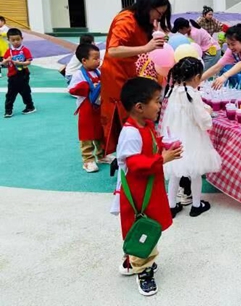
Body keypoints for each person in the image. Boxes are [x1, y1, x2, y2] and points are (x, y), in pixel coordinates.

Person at [113, 77, 182, 296]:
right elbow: (134, 164)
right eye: (157, 101)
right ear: (139, 107)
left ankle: (131, 260)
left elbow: (151, 144)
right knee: (143, 228)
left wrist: (164, 145)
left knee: (149, 226)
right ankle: (142, 270)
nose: (160, 105)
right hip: (138, 194)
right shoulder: (130, 132)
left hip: (149, 189)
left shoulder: (146, 125)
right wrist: (163, 159)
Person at [100, 0, 172, 154]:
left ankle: (138, 146)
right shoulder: (126, 19)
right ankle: (121, 150)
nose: (159, 18)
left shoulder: (144, 22)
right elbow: (113, 50)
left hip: (130, 69)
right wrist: (146, 48)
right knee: (122, 111)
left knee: (134, 108)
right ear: (149, 7)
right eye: (159, 13)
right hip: (115, 72)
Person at [160, 57, 221, 217]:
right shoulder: (192, 94)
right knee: (195, 172)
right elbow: (202, 119)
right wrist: (208, 113)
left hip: (174, 137)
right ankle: (196, 204)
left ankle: (171, 205)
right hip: (192, 138)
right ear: (195, 78)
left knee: (174, 172)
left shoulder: (174, 90)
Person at [68, 43, 111, 172]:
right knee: (87, 135)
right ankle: (88, 160)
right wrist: (84, 87)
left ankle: (101, 155)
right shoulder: (78, 74)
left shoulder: (97, 71)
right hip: (86, 108)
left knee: (100, 132)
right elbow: (71, 89)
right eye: (95, 58)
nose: (99, 61)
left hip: (99, 107)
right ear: (84, 60)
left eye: (99, 58)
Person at [1, 28, 35, 118]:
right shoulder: (8, 51)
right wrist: (6, 60)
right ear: (8, 40)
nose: (16, 42)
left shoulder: (25, 50)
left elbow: (29, 62)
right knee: (10, 93)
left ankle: (30, 106)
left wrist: (21, 63)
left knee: (25, 92)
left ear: (22, 38)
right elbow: (3, 63)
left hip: (23, 74)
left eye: (18, 39)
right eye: (13, 40)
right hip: (12, 75)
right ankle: (8, 110)